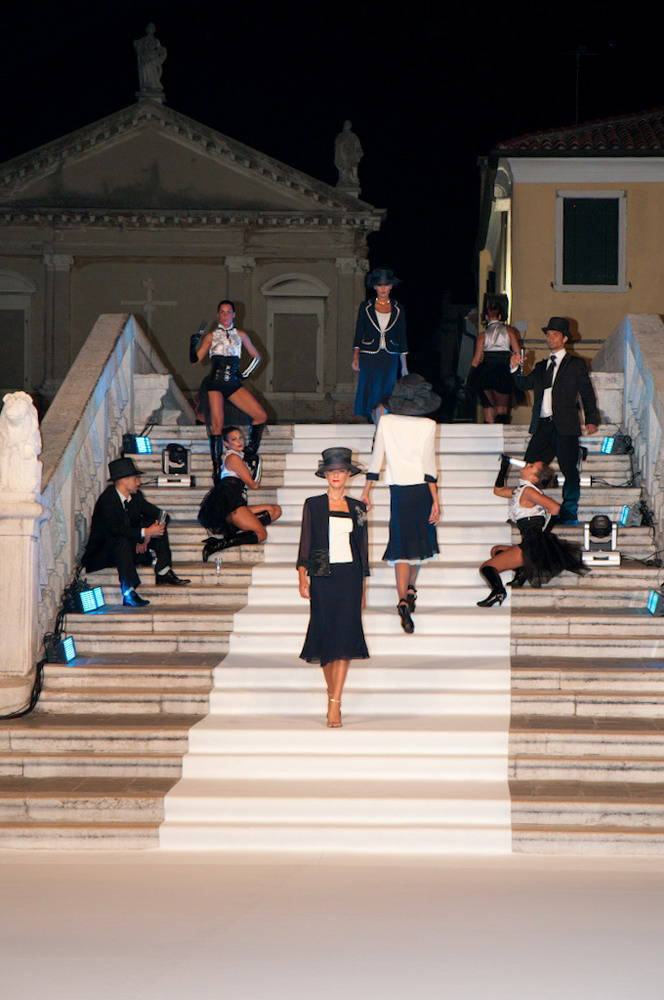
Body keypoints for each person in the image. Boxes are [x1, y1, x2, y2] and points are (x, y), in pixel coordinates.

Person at [361, 374, 441, 634]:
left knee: (401, 544)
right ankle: (411, 589)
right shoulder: (428, 425)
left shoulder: (387, 421)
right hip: (421, 490)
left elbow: (377, 459)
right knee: (419, 541)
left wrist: (366, 491)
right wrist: (436, 500)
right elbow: (429, 466)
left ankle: (403, 599)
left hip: (399, 491)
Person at [297, 448, 370, 728]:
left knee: (344, 638)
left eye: (340, 471)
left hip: (349, 577)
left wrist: (363, 586)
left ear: (348, 474)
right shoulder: (313, 504)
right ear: (325, 475)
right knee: (326, 636)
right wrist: (302, 576)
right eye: (331, 471)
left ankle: (335, 703)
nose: (336, 476)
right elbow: (306, 541)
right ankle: (332, 693)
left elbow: (362, 548)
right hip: (322, 575)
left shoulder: (358, 507)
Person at [511, 316, 600, 524]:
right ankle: (528, 510)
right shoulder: (542, 366)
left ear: (564, 338)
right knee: (530, 465)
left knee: (569, 470)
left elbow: (587, 392)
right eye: (548, 334)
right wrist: (514, 368)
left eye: (555, 334)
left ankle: (569, 514)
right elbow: (524, 384)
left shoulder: (575, 364)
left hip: (565, 425)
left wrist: (591, 418)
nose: (550, 338)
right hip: (543, 425)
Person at [477, 455, 588, 607]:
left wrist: (544, 534)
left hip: (533, 543)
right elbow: (498, 491)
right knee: (496, 551)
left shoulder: (529, 491)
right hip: (531, 542)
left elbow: (555, 508)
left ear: (534, 478)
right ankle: (522, 572)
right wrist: (504, 467)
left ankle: (498, 592)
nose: (527, 464)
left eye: (531, 466)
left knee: (486, 568)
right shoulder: (522, 490)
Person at [82, 457, 190, 607]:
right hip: (106, 552)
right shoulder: (107, 500)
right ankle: (128, 591)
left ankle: (163, 571)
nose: (139, 483)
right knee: (121, 541)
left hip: (131, 547)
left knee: (157, 525)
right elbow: (116, 530)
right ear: (123, 480)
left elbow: (163, 515)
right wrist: (144, 532)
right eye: (135, 479)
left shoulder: (136, 496)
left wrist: (147, 535)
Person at [191, 300, 267, 484]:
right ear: (218, 315)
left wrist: (244, 374)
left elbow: (257, 357)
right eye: (222, 312)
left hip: (232, 383)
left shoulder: (241, 335)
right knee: (217, 426)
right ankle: (217, 468)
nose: (225, 315)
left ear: (234, 314)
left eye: (228, 312)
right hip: (215, 383)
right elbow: (195, 360)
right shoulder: (211, 336)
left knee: (260, 416)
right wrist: (192, 345)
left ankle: (249, 454)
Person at [198, 426, 281, 562]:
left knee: (275, 510)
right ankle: (216, 545)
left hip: (235, 502)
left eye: (241, 438)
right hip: (231, 505)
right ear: (226, 443)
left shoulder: (237, 457)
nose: (239, 441)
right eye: (234, 439)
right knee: (261, 534)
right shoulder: (234, 458)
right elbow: (253, 484)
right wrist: (257, 465)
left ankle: (242, 526)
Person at [352, 267, 408, 424]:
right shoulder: (366, 306)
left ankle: (380, 428)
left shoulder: (398, 308)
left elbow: (402, 337)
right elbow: (359, 332)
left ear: (391, 286)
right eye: (379, 285)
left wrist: (404, 366)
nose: (383, 288)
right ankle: (377, 425)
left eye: (386, 284)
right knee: (372, 392)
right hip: (369, 356)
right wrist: (355, 357)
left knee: (386, 393)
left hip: (390, 357)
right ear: (374, 286)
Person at [468, 300, 522, 423]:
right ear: (500, 316)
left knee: (488, 407)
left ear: (486, 317)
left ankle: (488, 432)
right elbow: (517, 353)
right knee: (502, 409)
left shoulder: (482, 335)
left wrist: (470, 378)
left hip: (485, 372)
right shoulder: (509, 330)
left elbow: (476, 360)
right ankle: (501, 432)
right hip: (503, 371)